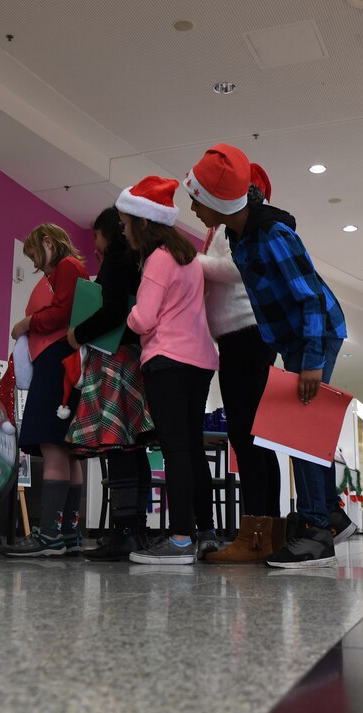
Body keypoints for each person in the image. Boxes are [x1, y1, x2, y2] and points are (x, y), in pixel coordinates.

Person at [186, 144, 349, 569]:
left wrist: (311, 360)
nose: (192, 207)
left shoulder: (274, 235)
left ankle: (317, 530)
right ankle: (324, 515)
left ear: (218, 200)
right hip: (294, 340)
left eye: (198, 198)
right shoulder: (240, 237)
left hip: (317, 335)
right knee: (297, 429)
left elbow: (310, 297)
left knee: (300, 429)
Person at [115, 177, 219, 565]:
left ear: (143, 222)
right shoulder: (188, 256)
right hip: (200, 361)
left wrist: (122, 317)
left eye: (126, 224)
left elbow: (142, 319)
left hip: (167, 361)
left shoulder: (157, 258)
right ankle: (204, 532)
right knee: (192, 449)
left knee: (175, 451)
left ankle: (179, 539)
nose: (123, 232)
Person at [193, 163, 284, 564]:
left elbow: (239, 270)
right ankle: (268, 531)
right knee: (257, 438)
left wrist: (193, 264)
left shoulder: (241, 229)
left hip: (246, 335)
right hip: (243, 336)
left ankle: (255, 536)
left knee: (248, 438)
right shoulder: (226, 230)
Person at [65, 207, 154, 560]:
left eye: (97, 234)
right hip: (133, 357)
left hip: (115, 358)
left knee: (119, 445)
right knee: (134, 445)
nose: (96, 243)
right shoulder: (137, 261)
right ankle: (136, 528)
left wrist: (78, 334)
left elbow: (112, 311)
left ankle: (123, 534)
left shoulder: (117, 262)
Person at [1, 224, 88, 557]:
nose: (36, 265)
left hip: (55, 364)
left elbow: (60, 314)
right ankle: (68, 533)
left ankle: (49, 533)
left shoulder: (66, 267)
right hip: (64, 364)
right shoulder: (73, 270)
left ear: (49, 243)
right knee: (68, 450)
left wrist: (26, 323)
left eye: (35, 255)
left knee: (54, 446)